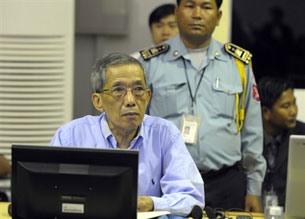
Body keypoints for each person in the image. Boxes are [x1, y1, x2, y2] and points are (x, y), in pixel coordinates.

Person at [138, 0, 266, 212]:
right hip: (167, 183)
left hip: (226, 184)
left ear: (218, 16)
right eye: (189, 6)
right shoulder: (151, 63)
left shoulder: (238, 64)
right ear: (177, 12)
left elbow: (252, 132)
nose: (197, 14)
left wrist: (254, 188)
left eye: (206, 7)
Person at [50, 53, 204, 218]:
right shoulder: (71, 136)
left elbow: (192, 198)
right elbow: (48, 194)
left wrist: (151, 203)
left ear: (148, 96)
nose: (130, 100)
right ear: (98, 101)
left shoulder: (164, 133)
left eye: (138, 90)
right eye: (118, 90)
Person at [258, 76, 305, 208]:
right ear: (266, 112)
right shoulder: (248, 137)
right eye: (286, 106)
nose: (294, 111)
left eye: (294, 103)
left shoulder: (302, 134)